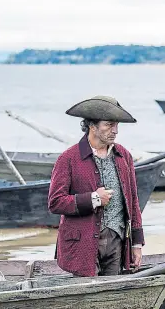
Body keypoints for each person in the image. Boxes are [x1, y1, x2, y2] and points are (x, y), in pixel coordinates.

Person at [48, 95, 145, 277]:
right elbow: (55, 202)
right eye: (109, 124)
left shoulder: (124, 156)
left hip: (117, 241)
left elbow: (133, 202)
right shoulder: (68, 159)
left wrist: (137, 244)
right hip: (81, 244)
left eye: (117, 125)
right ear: (92, 126)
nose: (115, 130)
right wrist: (94, 199)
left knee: (113, 293)